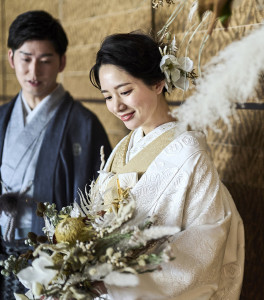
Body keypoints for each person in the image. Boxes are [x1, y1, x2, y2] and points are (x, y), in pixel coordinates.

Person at [89, 32, 245, 300]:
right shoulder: (123, 148)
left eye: (125, 91)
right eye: (108, 96)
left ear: (158, 82)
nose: (117, 106)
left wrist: (118, 285)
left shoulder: (188, 154)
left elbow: (203, 247)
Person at [0, 10, 111, 299]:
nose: (33, 72)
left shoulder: (84, 126)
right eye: (26, 59)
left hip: (52, 262)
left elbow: (98, 208)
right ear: (11, 58)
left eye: (45, 60)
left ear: (61, 62)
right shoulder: (1, 118)